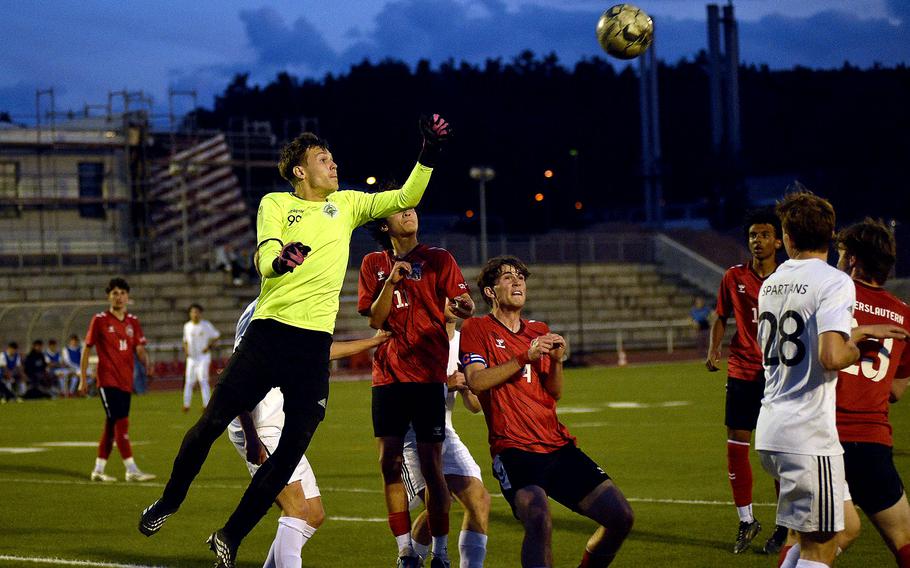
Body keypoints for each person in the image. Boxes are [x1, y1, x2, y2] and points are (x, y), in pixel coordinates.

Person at [139, 114, 452, 568]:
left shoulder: (347, 204)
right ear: (301, 171)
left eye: (333, 158)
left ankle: (231, 534)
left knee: (290, 452)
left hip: (311, 347)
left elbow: (406, 196)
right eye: (323, 160)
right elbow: (265, 251)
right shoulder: (274, 203)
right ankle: (169, 500)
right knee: (210, 422)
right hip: (270, 332)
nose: (333, 165)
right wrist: (279, 262)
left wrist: (429, 153)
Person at [755, 189, 908, 568]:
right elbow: (838, 359)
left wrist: (852, 335)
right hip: (822, 434)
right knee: (822, 547)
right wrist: (857, 344)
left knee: (840, 529)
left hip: (778, 424)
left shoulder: (772, 283)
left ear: (786, 238)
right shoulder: (841, 287)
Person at [460, 255, 633, 568]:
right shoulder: (477, 328)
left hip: (557, 446)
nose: (518, 283)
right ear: (490, 291)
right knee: (539, 519)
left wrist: (555, 360)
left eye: (521, 278)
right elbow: (476, 381)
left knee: (620, 516)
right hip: (514, 451)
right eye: (508, 278)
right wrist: (525, 356)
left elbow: (555, 393)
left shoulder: (538, 330)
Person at [228, 297, 391, 568]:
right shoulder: (265, 311)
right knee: (297, 510)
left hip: (279, 424)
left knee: (313, 514)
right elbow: (237, 373)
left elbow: (319, 351)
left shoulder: (292, 304)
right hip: (260, 424)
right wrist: (250, 435)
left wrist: (373, 342)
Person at [358, 203, 475, 568]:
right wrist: (391, 281)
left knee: (432, 467)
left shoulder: (439, 258)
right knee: (387, 463)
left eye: (411, 209)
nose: (409, 214)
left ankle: (440, 553)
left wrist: (465, 305)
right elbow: (374, 319)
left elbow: (463, 304)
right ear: (384, 224)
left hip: (426, 377)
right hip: (388, 377)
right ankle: (406, 551)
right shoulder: (372, 265)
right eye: (399, 211)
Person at [706, 209, 787, 554]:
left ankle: (785, 525)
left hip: (778, 374)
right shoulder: (733, 276)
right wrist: (714, 350)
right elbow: (720, 315)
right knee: (737, 443)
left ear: (779, 241)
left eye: (765, 234)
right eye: (753, 235)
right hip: (742, 368)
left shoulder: (789, 278)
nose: (758, 240)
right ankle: (746, 519)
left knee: (777, 451)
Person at [401, 305, 490, 568]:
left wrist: (467, 387)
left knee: (479, 500)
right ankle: (410, 560)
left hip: (445, 431)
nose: (455, 300)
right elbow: (400, 397)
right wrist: (444, 384)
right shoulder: (416, 338)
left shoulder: (465, 341)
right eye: (446, 294)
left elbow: (475, 405)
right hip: (412, 432)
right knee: (439, 502)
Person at [79, 277, 156, 483]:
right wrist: (82, 377)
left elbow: (139, 347)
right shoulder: (100, 319)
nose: (119, 297)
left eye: (122, 293)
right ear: (108, 296)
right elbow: (87, 348)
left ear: (127, 297)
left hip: (125, 380)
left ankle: (98, 469)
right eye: (115, 293)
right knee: (121, 422)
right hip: (107, 380)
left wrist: (146, 363)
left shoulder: (133, 321)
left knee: (111, 425)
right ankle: (131, 469)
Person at [182, 303, 221, 412]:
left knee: (203, 380)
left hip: (203, 357)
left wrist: (208, 347)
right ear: (190, 314)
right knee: (189, 381)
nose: (195, 314)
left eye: (197, 312)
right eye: (193, 312)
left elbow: (216, 336)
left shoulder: (206, 325)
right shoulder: (187, 326)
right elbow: (185, 340)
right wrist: (186, 350)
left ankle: (206, 404)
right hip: (191, 358)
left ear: (200, 314)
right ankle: (186, 404)